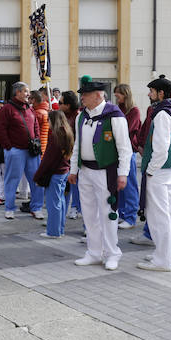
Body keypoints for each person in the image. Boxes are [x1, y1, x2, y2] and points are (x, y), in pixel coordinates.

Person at [68, 77, 133, 271]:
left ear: (98, 96)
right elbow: (77, 146)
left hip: (106, 172)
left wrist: (123, 174)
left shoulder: (114, 115)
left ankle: (112, 253)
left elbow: (124, 148)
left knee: (108, 214)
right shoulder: (82, 116)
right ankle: (94, 252)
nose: (82, 99)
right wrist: (73, 169)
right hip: (85, 171)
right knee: (88, 214)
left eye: (86, 95)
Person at [137, 77, 171, 272]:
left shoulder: (161, 114)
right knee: (168, 215)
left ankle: (162, 260)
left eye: (151, 91)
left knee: (159, 216)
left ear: (161, 93)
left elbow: (161, 149)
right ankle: (168, 255)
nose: (149, 94)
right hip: (168, 168)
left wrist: (150, 170)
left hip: (159, 169)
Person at [0, 82, 44, 220]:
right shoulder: (7, 109)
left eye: (28, 91)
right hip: (15, 151)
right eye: (25, 91)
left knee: (36, 181)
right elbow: (0, 129)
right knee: (12, 181)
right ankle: (9, 208)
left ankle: (37, 208)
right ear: (17, 93)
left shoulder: (30, 109)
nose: (28, 94)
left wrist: (37, 141)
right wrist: (9, 147)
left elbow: (36, 126)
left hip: (32, 152)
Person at [34, 110, 74, 238]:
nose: (48, 124)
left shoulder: (56, 135)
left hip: (55, 173)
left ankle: (53, 232)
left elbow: (48, 159)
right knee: (60, 202)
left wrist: (38, 175)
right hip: (64, 171)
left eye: (49, 121)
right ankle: (59, 229)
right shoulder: (67, 132)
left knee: (53, 204)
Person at [114, 84, 141, 229]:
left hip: (128, 151)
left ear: (125, 94)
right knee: (121, 185)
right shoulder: (118, 109)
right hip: (118, 151)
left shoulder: (134, 111)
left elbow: (126, 130)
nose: (116, 96)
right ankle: (124, 214)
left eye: (118, 93)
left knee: (129, 185)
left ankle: (130, 217)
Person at [59, 90, 82, 220]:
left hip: (73, 156)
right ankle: (62, 212)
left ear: (68, 105)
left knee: (75, 184)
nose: (58, 105)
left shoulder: (78, 117)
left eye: (60, 103)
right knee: (65, 185)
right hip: (63, 156)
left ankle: (76, 207)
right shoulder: (61, 115)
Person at [30, 90, 50, 155]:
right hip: (42, 145)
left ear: (33, 100)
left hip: (37, 146)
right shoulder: (43, 110)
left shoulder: (38, 113)